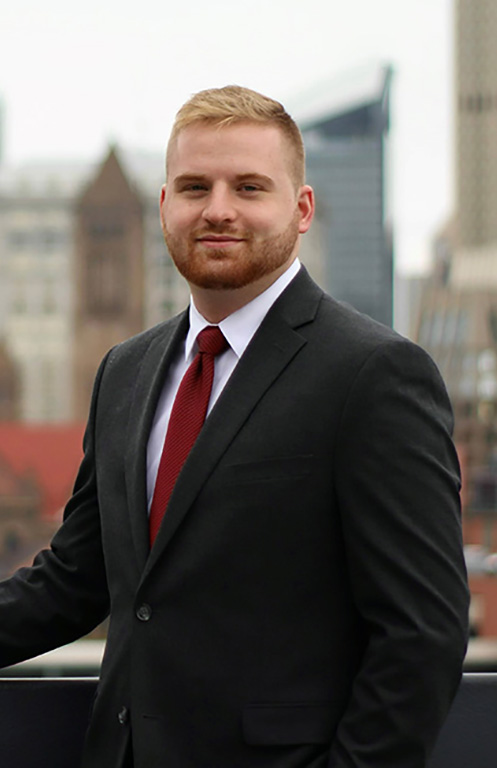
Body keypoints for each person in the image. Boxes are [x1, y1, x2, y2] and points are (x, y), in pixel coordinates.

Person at [0, 85, 468, 768]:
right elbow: (75, 580)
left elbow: (422, 633)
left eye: (249, 187)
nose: (217, 209)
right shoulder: (125, 372)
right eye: (193, 187)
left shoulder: (374, 374)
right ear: (164, 207)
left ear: (300, 209)